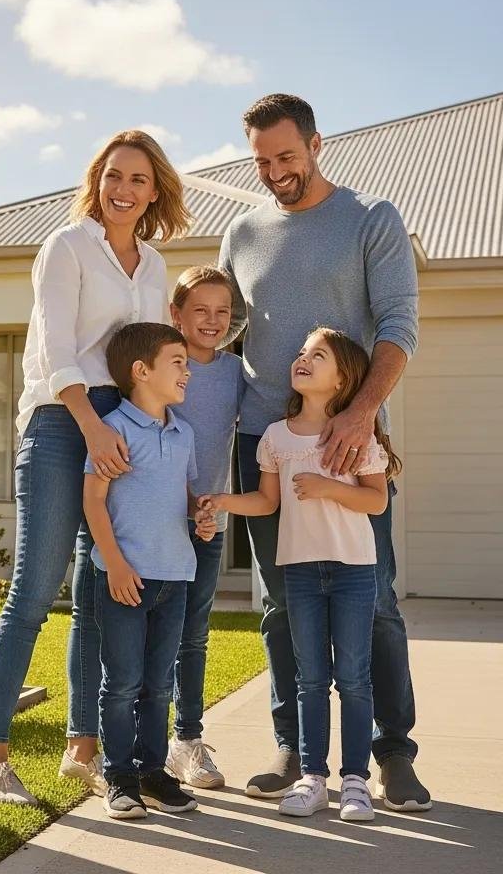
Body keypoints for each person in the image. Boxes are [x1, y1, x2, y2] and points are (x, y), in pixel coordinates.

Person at [218, 93, 429, 810]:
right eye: (262, 160)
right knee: (281, 603)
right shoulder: (242, 233)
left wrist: (361, 413)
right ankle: (295, 746)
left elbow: (399, 322)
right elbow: (227, 335)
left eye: (286, 155)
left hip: (347, 440)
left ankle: (393, 752)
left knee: (373, 603)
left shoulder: (371, 219)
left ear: (316, 144)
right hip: (264, 440)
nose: (276, 171)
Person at [0, 131, 191, 805]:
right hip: (64, 423)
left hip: (120, 426)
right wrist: (92, 426)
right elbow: (57, 350)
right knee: (34, 590)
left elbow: (146, 357)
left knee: (99, 597)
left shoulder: (152, 266)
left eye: (139, 181)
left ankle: (82, 750)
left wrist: (140, 432)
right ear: (97, 180)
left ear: (155, 192)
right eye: (114, 176)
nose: (124, 190)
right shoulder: (65, 247)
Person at [205, 328, 398, 822]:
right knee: (311, 679)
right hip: (301, 573)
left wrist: (327, 488)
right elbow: (266, 502)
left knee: (354, 679)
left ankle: (355, 780)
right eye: (301, 352)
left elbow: (376, 500)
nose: (302, 359)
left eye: (318, 355)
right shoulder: (275, 436)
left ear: (342, 379)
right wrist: (224, 500)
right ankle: (313, 777)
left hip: (355, 570)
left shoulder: (358, 434)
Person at [83, 322, 217, 819]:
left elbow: (179, 497)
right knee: (121, 682)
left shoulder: (183, 434)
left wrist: (198, 519)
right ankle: (118, 774)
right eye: (177, 361)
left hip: (175, 576)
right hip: (123, 577)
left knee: (160, 683)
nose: (187, 370)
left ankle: (152, 770)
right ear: (142, 371)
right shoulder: (112, 430)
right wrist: (115, 564)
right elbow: (94, 502)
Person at [165, 266, 245, 790]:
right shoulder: (161, 365)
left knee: (193, 636)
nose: (213, 321)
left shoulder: (238, 374)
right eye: (201, 310)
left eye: (223, 311)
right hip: (153, 520)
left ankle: (187, 742)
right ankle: (130, 743)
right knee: (148, 635)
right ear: (177, 315)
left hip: (206, 526)